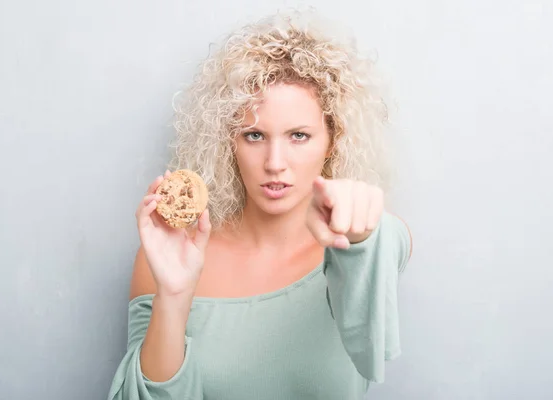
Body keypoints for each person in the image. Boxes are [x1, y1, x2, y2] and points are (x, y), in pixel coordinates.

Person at [107, 9, 413, 400]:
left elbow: (378, 252)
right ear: (227, 143)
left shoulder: (367, 241)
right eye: (254, 135)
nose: (274, 163)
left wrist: (363, 229)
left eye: (299, 136)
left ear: (332, 141)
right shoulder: (172, 255)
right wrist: (174, 295)